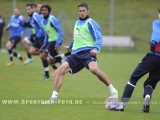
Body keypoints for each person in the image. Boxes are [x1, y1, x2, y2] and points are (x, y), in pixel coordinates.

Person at [44, 2, 118, 104]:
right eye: (80, 11)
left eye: (84, 11)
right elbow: (77, 38)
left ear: (87, 11)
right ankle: (53, 98)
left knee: (94, 70)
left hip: (88, 52)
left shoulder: (91, 23)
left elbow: (99, 38)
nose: (82, 13)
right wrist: (70, 46)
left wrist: (96, 48)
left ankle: (112, 89)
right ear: (78, 12)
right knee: (60, 70)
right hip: (75, 54)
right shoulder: (77, 23)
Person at [109, 9, 160, 113]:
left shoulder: (156, 22)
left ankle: (122, 104)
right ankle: (147, 97)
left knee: (134, 78)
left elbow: (157, 32)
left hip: (154, 56)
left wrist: (154, 41)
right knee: (150, 82)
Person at [25, 4, 50, 80]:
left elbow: (42, 26)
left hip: (41, 37)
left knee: (42, 56)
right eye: (26, 9)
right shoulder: (32, 16)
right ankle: (47, 54)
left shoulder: (36, 16)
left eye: (29, 9)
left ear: (33, 9)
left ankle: (47, 76)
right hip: (38, 37)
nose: (27, 11)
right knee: (31, 51)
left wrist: (39, 34)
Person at [40, 5, 64, 75]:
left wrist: (58, 43)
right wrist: (44, 43)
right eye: (43, 10)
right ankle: (65, 61)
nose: (44, 11)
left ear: (49, 11)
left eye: (46, 10)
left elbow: (61, 31)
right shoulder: (43, 21)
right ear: (41, 11)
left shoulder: (52, 20)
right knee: (51, 60)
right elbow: (46, 34)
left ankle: (47, 75)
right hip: (50, 41)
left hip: (55, 41)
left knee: (43, 56)